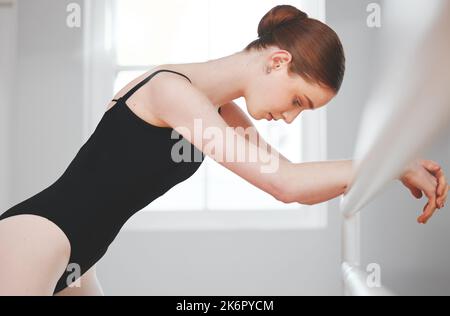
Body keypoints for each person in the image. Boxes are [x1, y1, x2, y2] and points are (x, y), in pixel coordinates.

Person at [0, 4, 447, 296]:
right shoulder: (171, 92)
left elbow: (290, 176)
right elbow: (285, 186)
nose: (291, 118)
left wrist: (390, 167)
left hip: (82, 259)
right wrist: (392, 165)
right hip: (38, 239)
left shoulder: (219, 110)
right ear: (278, 61)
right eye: (297, 101)